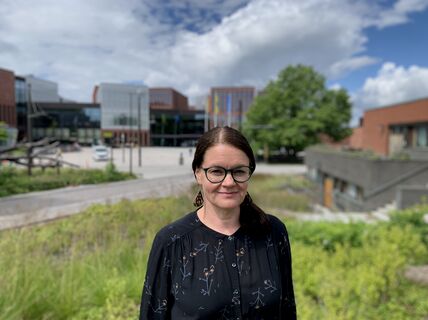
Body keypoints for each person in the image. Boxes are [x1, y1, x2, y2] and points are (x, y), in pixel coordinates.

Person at [139, 126, 296, 319]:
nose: (229, 182)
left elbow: (287, 309)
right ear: (198, 173)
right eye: (216, 171)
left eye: (239, 171)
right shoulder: (171, 241)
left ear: (249, 173)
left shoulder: (273, 232)